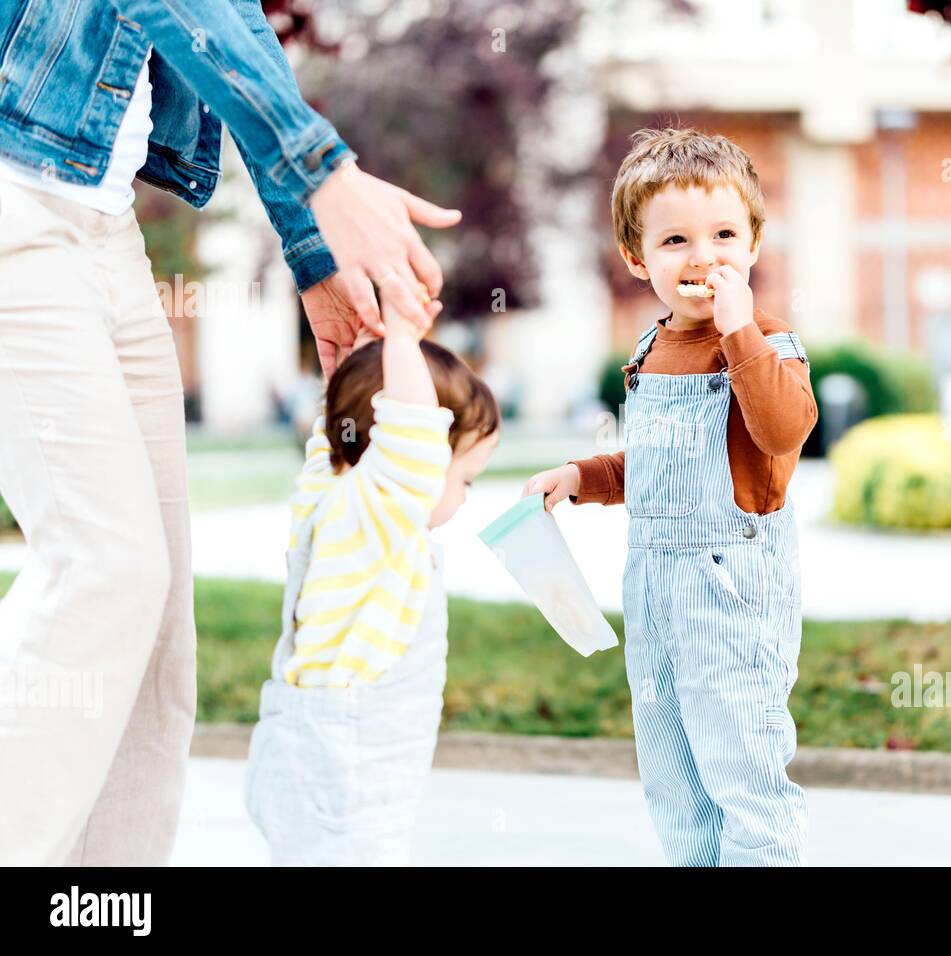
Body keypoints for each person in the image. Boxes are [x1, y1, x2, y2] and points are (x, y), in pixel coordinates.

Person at [0, 1, 458, 865]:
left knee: (155, 632)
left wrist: (314, 255)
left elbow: (229, 17)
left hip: (102, 227)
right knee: (106, 570)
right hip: (13, 200)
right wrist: (324, 174)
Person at [522, 128, 818, 866]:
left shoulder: (766, 343)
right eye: (675, 240)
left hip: (732, 592)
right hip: (654, 590)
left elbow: (782, 431)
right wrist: (582, 479)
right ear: (636, 258)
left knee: (742, 772)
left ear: (753, 245)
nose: (703, 257)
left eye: (723, 234)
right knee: (674, 778)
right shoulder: (650, 350)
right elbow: (656, 462)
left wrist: (738, 329)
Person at [245, 297, 499, 866]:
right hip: (348, 766)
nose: (461, 498)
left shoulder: (330, 492)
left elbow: (337, 427)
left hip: (308, 755)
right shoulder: (379, 516)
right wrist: (402, 336)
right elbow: (408, 440)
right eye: (464, 479)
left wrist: (366, 350)